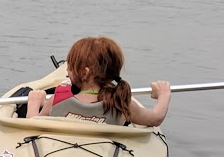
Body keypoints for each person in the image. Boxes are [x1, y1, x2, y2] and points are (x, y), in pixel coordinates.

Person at [26, 36, 170, 126]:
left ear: (84, 73)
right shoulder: (122, 104)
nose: (67, 71)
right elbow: (155, 119)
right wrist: (163, 94)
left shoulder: (56, 101)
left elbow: (32, 127)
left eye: (70, 67)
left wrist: (34, 103)